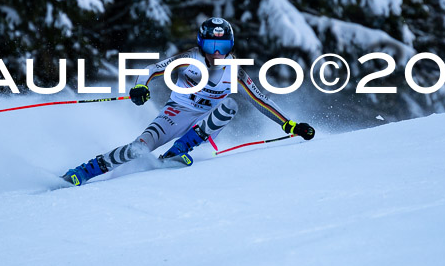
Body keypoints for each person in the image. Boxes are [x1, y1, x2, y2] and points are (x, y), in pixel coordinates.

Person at [62, 17, 315, 186]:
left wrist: (291, 126)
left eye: (223, 45)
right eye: (211, 44)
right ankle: (84, 172)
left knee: (230, 106)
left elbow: (261, 100)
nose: (217, 52)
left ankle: (179, 150)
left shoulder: (234, 70)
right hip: (176, 113)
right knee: (139, 147)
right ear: (201, 43)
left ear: (231, 45)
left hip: (204, 122)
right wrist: (140, 86)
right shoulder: (190, 59)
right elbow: (152, 69)